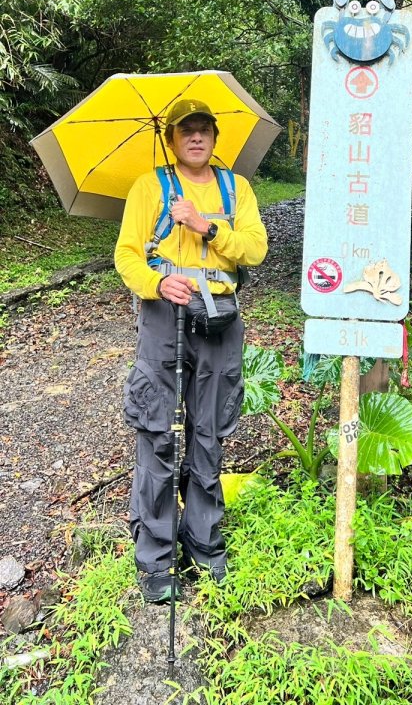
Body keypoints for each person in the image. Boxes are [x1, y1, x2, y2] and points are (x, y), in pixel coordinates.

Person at [114, 98, 268, 603]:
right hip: (165, 317)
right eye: (186, 130)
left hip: (221, 317)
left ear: (215, 137)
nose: (196, 137)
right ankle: (156, 554)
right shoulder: (149, 187)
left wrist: (206, 225)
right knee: (158, 427)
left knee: (210, 428)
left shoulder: (235, 188)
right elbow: (127, 254)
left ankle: (203, 540)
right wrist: (158, 283)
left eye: (205, 129)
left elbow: (256, 248)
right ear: (173, 138)